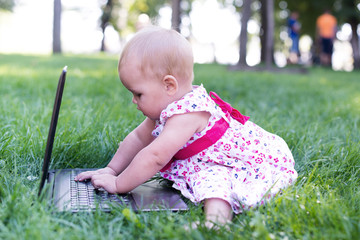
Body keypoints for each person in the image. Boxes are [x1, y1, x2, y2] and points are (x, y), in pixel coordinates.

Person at [75, 26, 298, 228]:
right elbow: (138, 139)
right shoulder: (168, 105)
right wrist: (111, 169)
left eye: (138, 93)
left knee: (214, 180)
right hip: (212, 156)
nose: (134, 100)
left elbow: (155, 156)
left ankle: (216, 222)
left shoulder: (188, 114)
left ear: (169, 85)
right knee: (208, 175)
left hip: (243, 160)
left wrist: (119, 184)